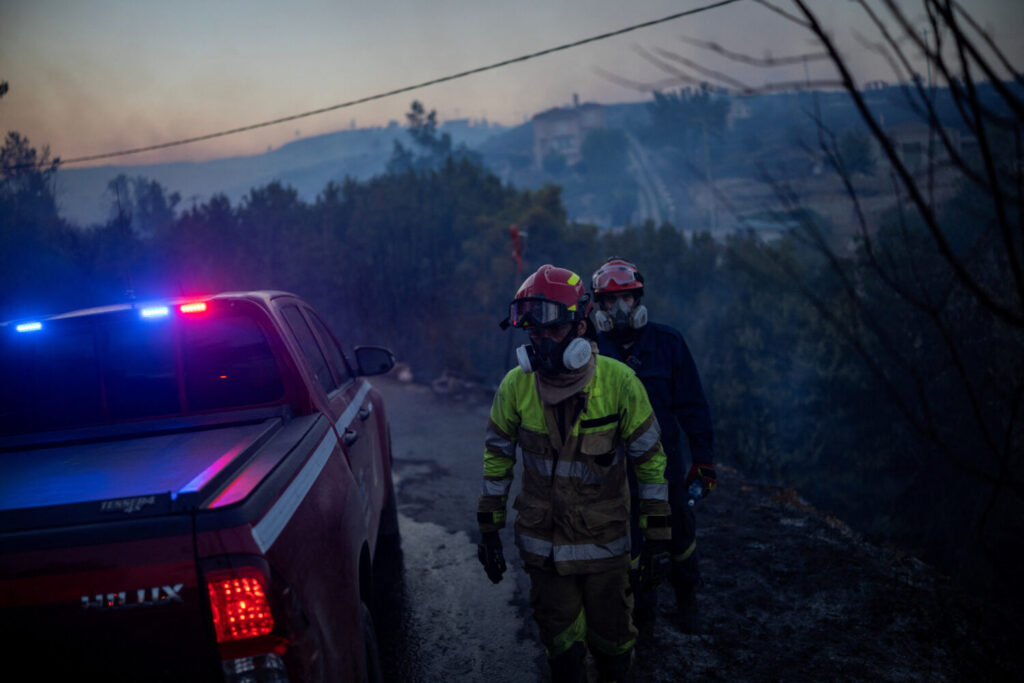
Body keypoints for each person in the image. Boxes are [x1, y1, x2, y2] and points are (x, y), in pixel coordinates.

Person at [476, 264, 672, 683]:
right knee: (562, 651)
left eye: (550, 331)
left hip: (606, 552)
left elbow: (651, 464)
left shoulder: (620, 384)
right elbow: (497, 459)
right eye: (533, 334)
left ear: (581, 327)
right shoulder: (516, 387)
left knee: (614, 649)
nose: (539, 342)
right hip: (544, 554)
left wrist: (658, 537)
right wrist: (488, 526)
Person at [589, 257, 716, 633]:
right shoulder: (589, 351)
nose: (619, 308)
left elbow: (694, 407)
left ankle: (687, 597)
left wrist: (704, 461)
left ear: (638, 299)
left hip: (666, 465)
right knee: (629, 540)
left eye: (626, 298)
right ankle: (640, 607)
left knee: (678, 531)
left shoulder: (669, 344)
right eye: (609, 301)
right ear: (598, 308)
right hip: (615, 472)